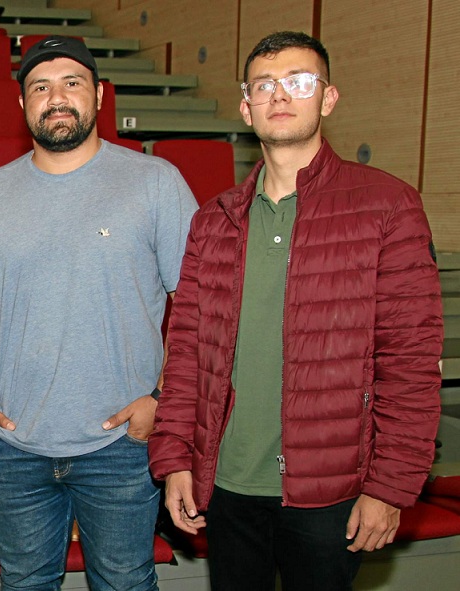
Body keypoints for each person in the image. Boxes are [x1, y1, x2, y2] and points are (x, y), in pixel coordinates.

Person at [149, 31, 443, 590]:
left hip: (332, 489)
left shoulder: (387, 206)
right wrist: (176, 460)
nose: (280, 95)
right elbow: (186, 352)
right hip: (229, 483)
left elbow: (410, 361)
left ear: (327, 98)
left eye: (299, 82)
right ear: (246, 106)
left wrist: (389, 486)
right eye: (264, 85)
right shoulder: (214, 221)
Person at [0, 35, 197, 591]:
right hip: (13, 446)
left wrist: (162, 400)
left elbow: (198, 305)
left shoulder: (156, 184)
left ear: (100, 96)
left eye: (71, 84)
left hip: (121, 447)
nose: (56, 98)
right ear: (22, 105)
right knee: (25, 583)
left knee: (125, 583)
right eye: (40, 87)